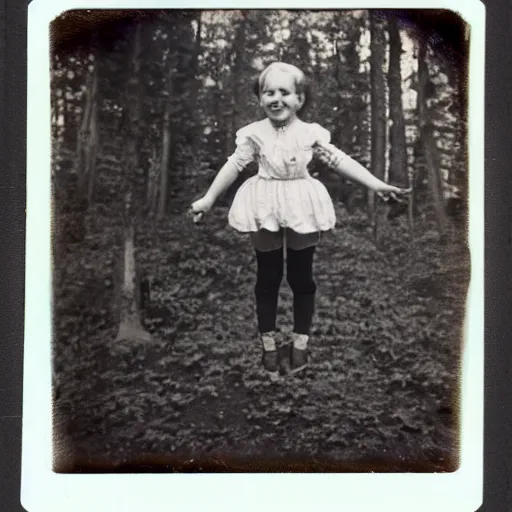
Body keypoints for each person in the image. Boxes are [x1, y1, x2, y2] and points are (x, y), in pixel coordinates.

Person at [191, 62, 410, 376]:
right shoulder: (254, 134)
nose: (276, 99)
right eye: (269, 92)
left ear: (299, 100)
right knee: (267, 278)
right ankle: (268, 345)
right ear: (260, 98)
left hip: (301, 205)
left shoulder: (310, 134)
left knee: (301, 278)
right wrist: (208, 199)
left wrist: (375, 184)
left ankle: (300, 343)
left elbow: (340, 160)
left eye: (285, 92)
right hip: (263, 202)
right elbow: (234, 165)